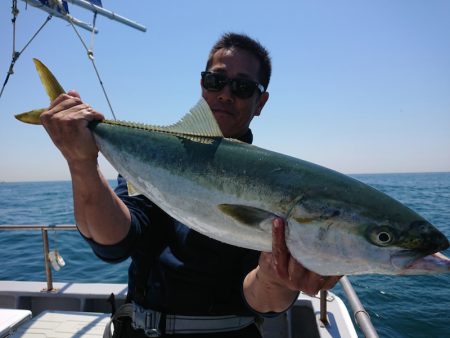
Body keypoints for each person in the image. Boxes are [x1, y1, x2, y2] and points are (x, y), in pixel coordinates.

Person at [40, 32, 341, 337]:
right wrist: (81, 164)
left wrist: (275, 277)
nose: (225, 94)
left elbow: (260, 300)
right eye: (216, 81)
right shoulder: (155, 157)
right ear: (202, 86)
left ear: (260, 101)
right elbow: (115, 242)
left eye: (242, 87)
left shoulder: (274, 183)